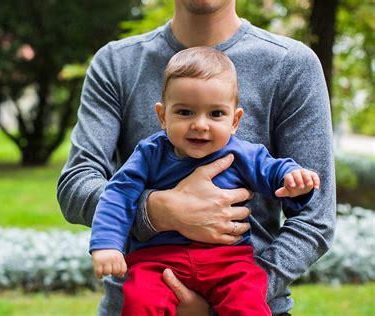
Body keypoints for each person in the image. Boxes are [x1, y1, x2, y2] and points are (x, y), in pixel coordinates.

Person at [57, 1, 336, 315]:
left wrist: (241, 295)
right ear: (162, 116)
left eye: (216, 114)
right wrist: (157, 211)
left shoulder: (291, 64)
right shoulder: (116, 63)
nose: (200, 125)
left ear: (234, 119)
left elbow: (315, 216)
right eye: (185, 112)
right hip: (142, 293)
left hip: (242, 290)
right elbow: (76, 184)